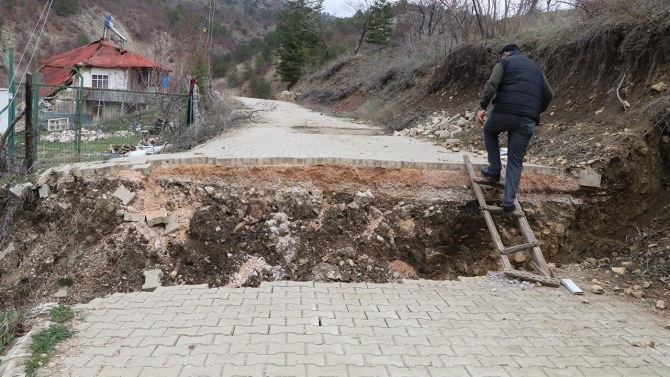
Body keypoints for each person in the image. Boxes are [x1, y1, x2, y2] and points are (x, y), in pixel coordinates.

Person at [476, 43, 554, 215]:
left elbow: (492, 84)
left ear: (505, 54)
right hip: (528, 119)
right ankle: (508, 203)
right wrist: (534, 110)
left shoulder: (504, 62)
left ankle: (494, 169)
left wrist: (482, 106)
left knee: (489, 131)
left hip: (505, 111)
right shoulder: (535, 68)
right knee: (515, 161)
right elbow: (549, 95)